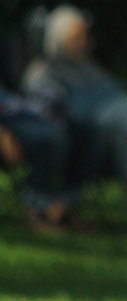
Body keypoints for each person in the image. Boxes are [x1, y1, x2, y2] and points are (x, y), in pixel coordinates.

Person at [22, 5, 127, 233]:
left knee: (124, 136)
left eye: (83, 36)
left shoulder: (91, 69)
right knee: (112, 133)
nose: (83, 42)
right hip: (63, 136)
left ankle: (67, 206)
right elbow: (43, 112)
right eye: (76, 37)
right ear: (57, 39)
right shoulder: (42, 71)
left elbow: (118, 98)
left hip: (98, 137)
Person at [0, 83, 81, 232]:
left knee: (84, 133)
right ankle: (35, 214)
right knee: (51, 139)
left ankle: (62, 207)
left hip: (26, 113)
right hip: (7, 121)